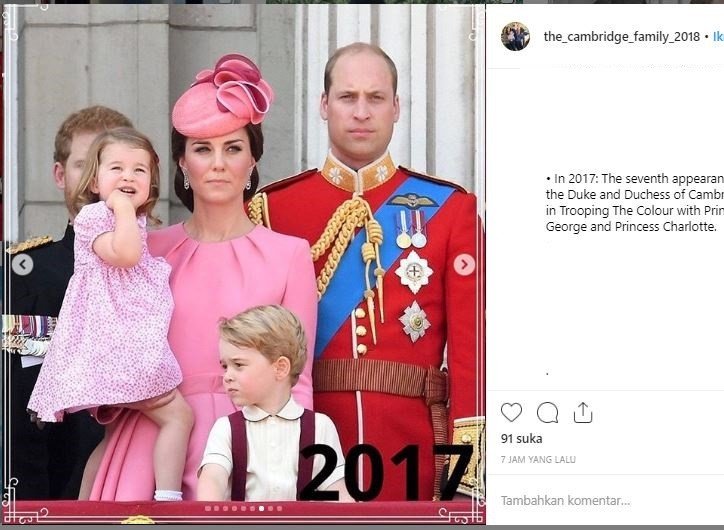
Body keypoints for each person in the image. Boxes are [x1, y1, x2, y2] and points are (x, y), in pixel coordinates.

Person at [247, 43, 484, 501]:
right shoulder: (272, 210)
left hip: (413, 442)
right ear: (323, 105)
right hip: (305, 441)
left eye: (375, 98)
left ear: (396, 108)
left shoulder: (451, 210)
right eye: (347, 97)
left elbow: (472, 354)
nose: (361, 112)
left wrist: (465, 478)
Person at [87, 53, 317, 501]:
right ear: (181, 164)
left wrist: (295, 464)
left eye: (233, 148)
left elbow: (299, 381)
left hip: (252, 446)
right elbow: (101, 342)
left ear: (253, 161)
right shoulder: (145, 250)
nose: (217, 163)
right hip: (152, 446)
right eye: (202, 149)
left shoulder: (290, 255)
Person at [27, 128, 194, 502]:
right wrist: (121, 208)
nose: (128, 177)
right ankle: (168, 497)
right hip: (116, 350)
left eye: (140, 170)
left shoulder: (127, 221)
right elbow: (126, 255)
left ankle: (87, 504)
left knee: (113, 436)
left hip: (120, 347)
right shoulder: (93, 217)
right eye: (116, 168)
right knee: (178, 417)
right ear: (95, 180)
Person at [6, 105, 132, 500]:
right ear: (60, 175)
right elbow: (17, 410)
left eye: (110, 166)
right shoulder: (23, 276)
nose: (98, 183)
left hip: (143, 487)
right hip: (53, 495)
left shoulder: (165, 269)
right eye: (84, 165)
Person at [197, 305, 351, 502]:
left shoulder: (320, 427)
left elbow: (336, 490)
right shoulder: (226, 428)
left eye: (238, 365)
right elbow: (213, 479)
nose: (227, 376)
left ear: (280, 368)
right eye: (225, 366)